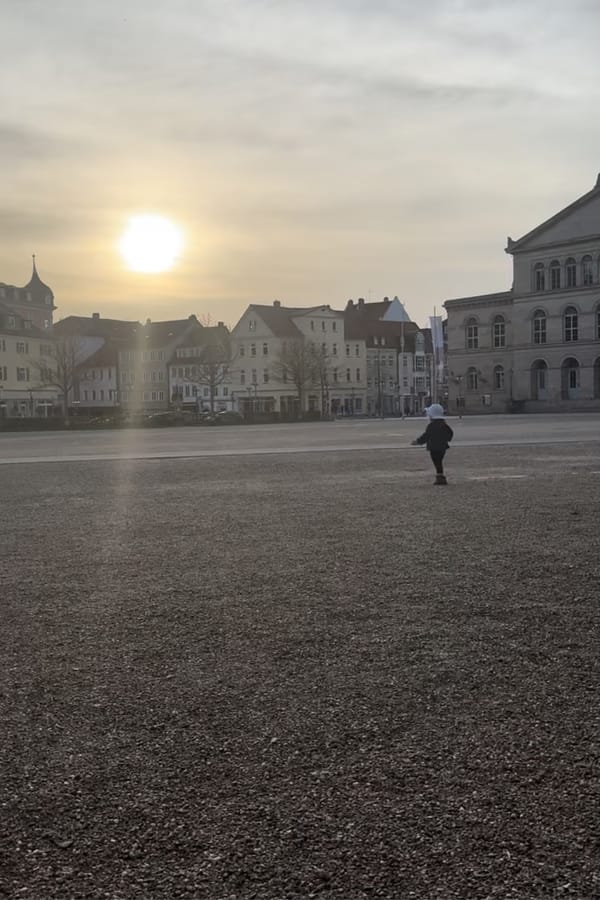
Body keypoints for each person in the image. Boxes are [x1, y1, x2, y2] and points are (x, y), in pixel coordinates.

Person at [411, 403, 454, 485]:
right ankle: (440, 476)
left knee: (436, 462)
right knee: (439, 461)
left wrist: (418, 442)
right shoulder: (444, 425)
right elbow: (450, 433)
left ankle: (440, 477)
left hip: (433, 447)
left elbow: (426, 436)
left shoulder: (431, 426)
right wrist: (446, 439)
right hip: (442, 447)